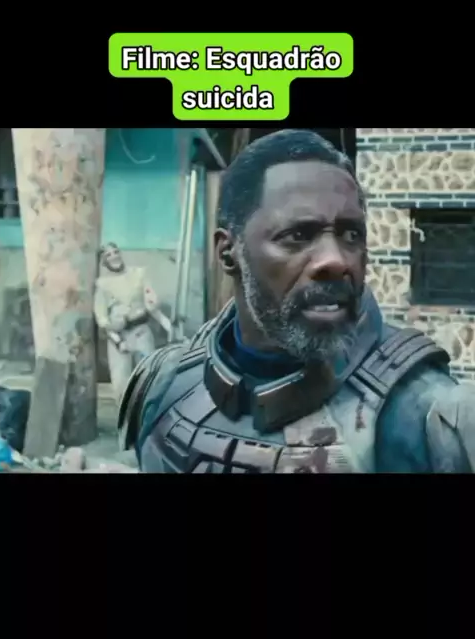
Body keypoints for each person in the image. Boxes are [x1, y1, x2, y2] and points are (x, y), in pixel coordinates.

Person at [118, 130, 475, 473]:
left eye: (351, 234)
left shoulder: (427, 417)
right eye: (298, 235)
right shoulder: (163, 386)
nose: (335, 260)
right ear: (228, 253)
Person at [94, 243, 172, 404]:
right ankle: (124, 417)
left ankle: (148, 416)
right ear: (104, 261)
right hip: (119, 338)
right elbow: (102, 319)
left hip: (141, 332)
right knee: (121, 385)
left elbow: (151, 305)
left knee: (148, 379)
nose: (114, 256)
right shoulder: (102, 284)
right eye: (108, 255)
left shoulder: (139, 274)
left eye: (116, 252)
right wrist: (117, 340)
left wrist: (168, 325)